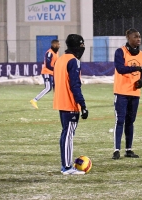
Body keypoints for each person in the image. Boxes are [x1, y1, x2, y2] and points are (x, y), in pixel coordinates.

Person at [53, 34, 88, 175]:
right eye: (81, 45)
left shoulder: (60, 59)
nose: (83, 48)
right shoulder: (73, 61)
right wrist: (83, 105)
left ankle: (65, 164)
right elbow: (75, 85)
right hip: (70, 103)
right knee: (68, 135)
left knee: (65, 134)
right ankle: (67, 167)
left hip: (60, 102)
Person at [112, 28, 142, 160]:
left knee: (130, 121)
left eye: (139, 36)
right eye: (135, 37)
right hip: (121, 92)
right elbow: (120, 68)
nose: (138, 39)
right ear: (128, 37)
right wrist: (137, 68)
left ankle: (129, 149)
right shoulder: (120, 52)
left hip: (134, 93)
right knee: (120, 120)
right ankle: (116, 150)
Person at [30, 39, 60, 109]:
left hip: (53, 73)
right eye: (58, 44)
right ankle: (34, 100)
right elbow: (48, 65)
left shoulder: (57, 52)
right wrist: (56, 69)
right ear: (54, 45)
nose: (59, 46)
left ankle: (57, 103)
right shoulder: (49, 53)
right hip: (47, 72)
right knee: (48, 88)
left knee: (56, 87)